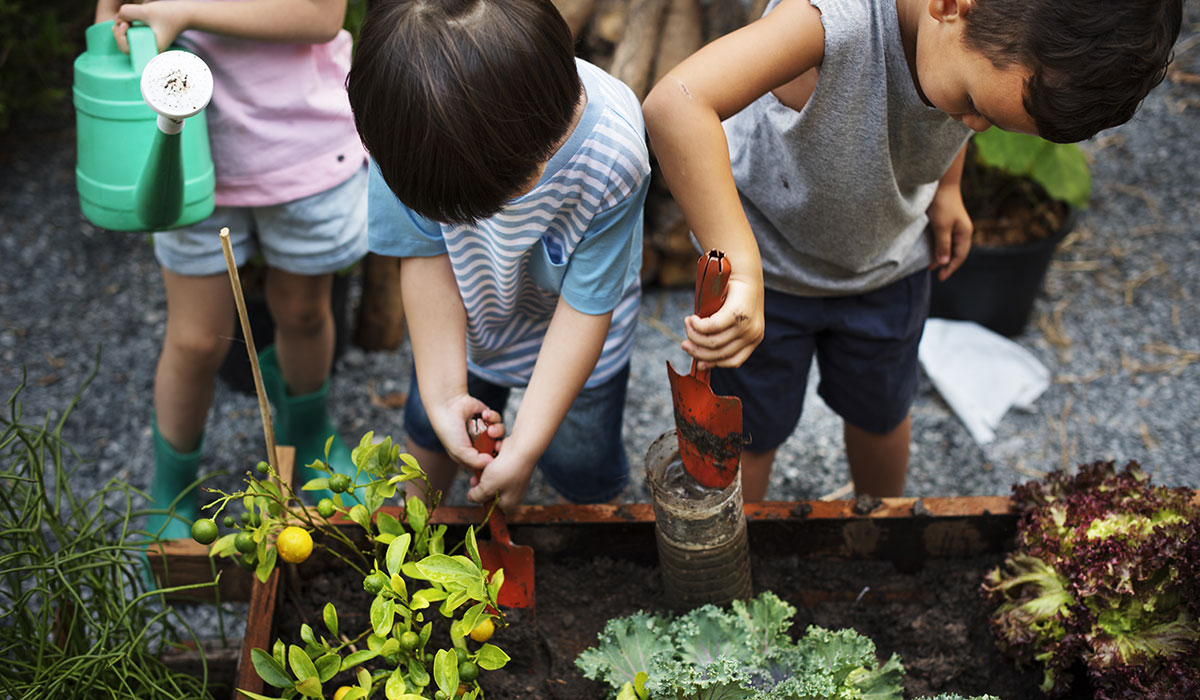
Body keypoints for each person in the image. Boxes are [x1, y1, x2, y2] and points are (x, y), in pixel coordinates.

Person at [642, 0, 1182, 501]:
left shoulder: (970, 41)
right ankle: (741, 564)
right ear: (949, 5)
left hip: (888, 267)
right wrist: (740, 264)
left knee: (881, 415)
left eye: (991, 120)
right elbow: (676, 104)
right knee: (749, 435)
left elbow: (945, 115)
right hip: (767, 282)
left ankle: (884, 537)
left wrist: (947, 190)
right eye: (973, 105)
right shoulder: (829, 24)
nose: (971, 124)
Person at [347, 0, 650, 513]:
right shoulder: (403, 126)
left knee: (580, 461)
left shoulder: (613, 154)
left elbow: (585, 307)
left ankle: (586, 529)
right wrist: (445, 395)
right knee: (430, 428)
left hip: (577, 336)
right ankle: (414, 537)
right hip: (466, 324)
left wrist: (526, 445)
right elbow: (425, 255)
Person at [95, 0, 368, 538]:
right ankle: (172, 486)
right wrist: (120, 36)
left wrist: (183, 12)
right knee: (196, 340)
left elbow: (320, 16)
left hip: (301, 143)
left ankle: (309, 435)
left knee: (305, 312)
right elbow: (110, 18)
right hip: (185, 151)